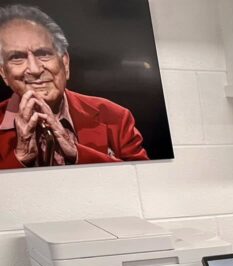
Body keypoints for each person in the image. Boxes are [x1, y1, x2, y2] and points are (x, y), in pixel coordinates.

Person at [0, 4, 148, 169]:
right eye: (17, 57)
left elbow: (142, 174)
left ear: (65, 63)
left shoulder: (114, 117)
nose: (35, 70)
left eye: (44, 53)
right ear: (3, 73)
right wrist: (20, 157)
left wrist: (77, 153)